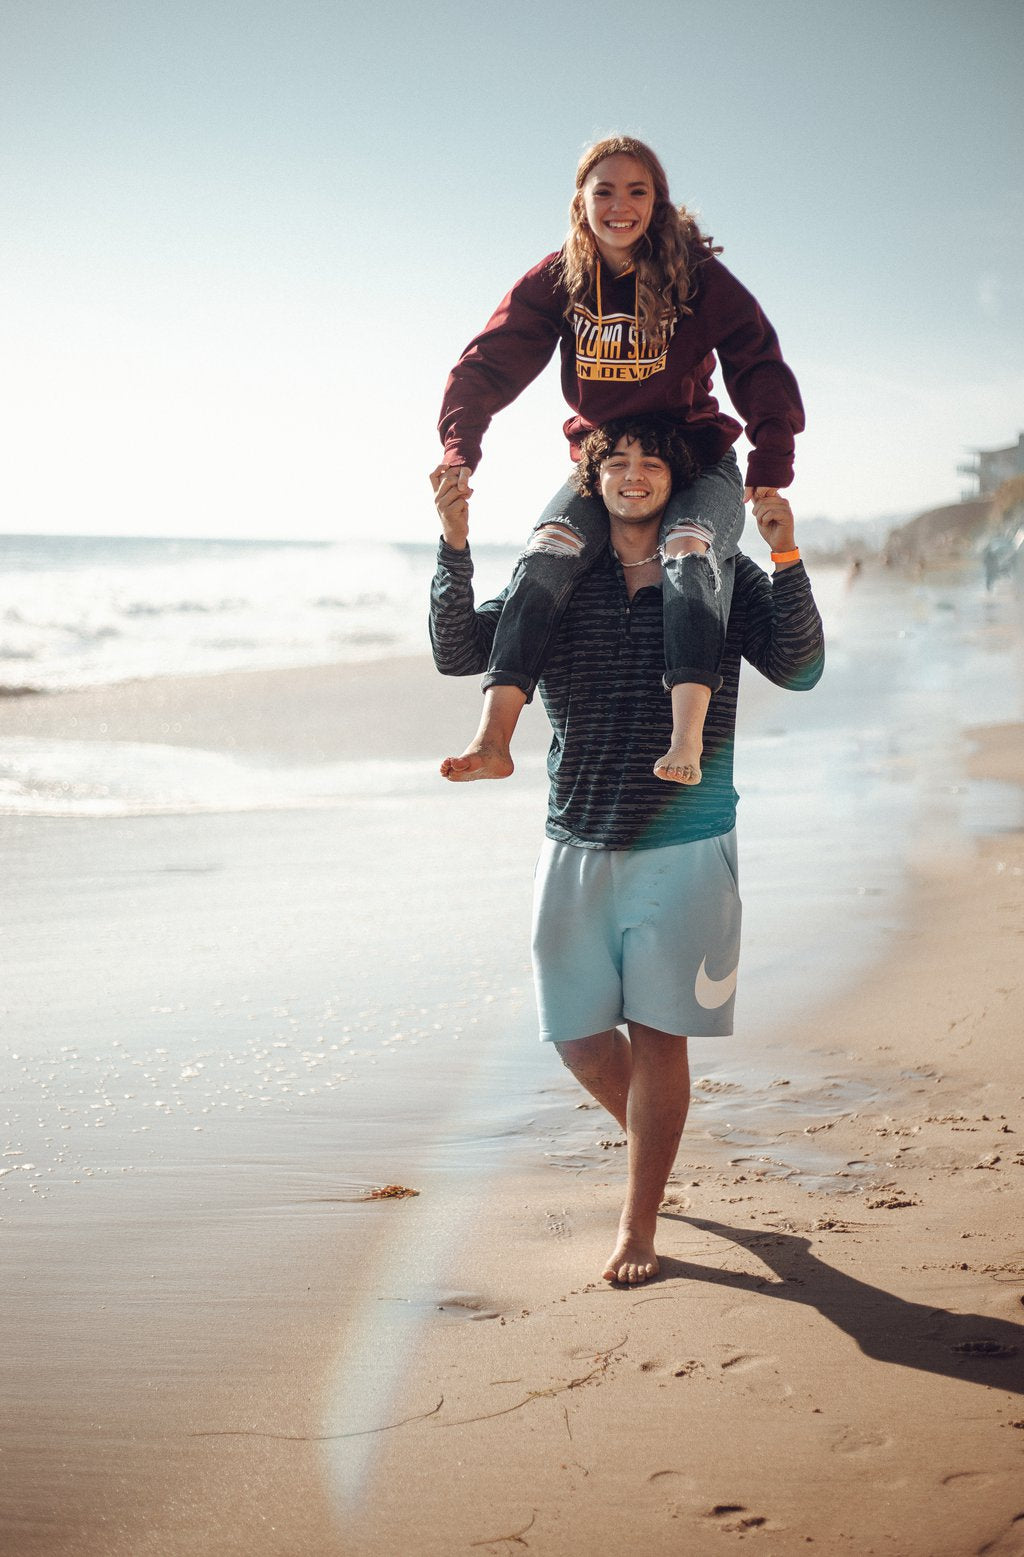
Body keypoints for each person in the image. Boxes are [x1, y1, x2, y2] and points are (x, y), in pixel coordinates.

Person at [430, 416, 824, 1285]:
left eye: (653, 461)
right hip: (575, 835)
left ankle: (639, 1223)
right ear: (592, 473)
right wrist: (454, 542)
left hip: (687, 841)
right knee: (575, 1037)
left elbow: (799, 666)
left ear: (677, 482)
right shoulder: (560, 576)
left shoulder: (718, 573)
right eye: (619, 459)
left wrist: (787, 556)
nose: (635, 473)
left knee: (659, 1042)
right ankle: (657, 1137)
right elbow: (460, 649)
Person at [435, 134, 804, 788]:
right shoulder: (561, 278)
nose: (620, 205)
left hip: (692, 454)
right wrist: (460, 448)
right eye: (604, 190)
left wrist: (769, 461)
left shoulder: (695, 274)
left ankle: (684, 737)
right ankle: (494, 739)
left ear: (657, 199)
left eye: (637, 190)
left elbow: (759, 361)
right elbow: (488, 364)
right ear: (581, 202)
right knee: (548, 548)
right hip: (607, 461)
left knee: (689, 547)